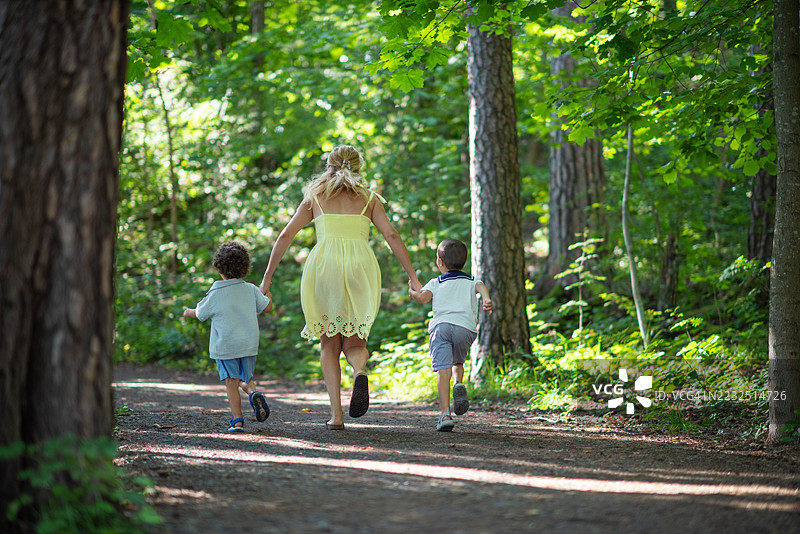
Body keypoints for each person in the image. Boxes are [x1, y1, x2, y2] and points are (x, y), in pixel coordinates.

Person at [259, 145, 422, 430]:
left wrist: (266, 279)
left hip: (325, 267)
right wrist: (413, 278)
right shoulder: (370, 199)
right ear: (358, 167)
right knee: (356, 341)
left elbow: (286, 235)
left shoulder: (315, 197)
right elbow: (392, 235)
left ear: (329, 166)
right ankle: (359, 370)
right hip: (361, 266)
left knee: (329, 343)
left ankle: (336, 415)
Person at [183, 241, 273, 433]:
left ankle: (237, 420)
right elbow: (267, 307)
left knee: (231, 382)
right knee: (245, 377)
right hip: (248, 345)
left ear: (219, 268)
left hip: (226, 346)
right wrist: (268, 293)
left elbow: (200, 313)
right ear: (245, 268)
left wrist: (187, 312)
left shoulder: (216, 292)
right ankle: (253, 392)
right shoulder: (250, 289)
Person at [408, 239, 493, 431]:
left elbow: (422, 298)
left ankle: (445, 414)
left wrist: (412, 293)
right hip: (465, 329)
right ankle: (458, 383)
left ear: (440, 262)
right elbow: (481, 286)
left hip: (442, 327)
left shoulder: (436, 282)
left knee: (443, 370)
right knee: (458, 362)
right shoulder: (471, 280)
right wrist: (486, 299)